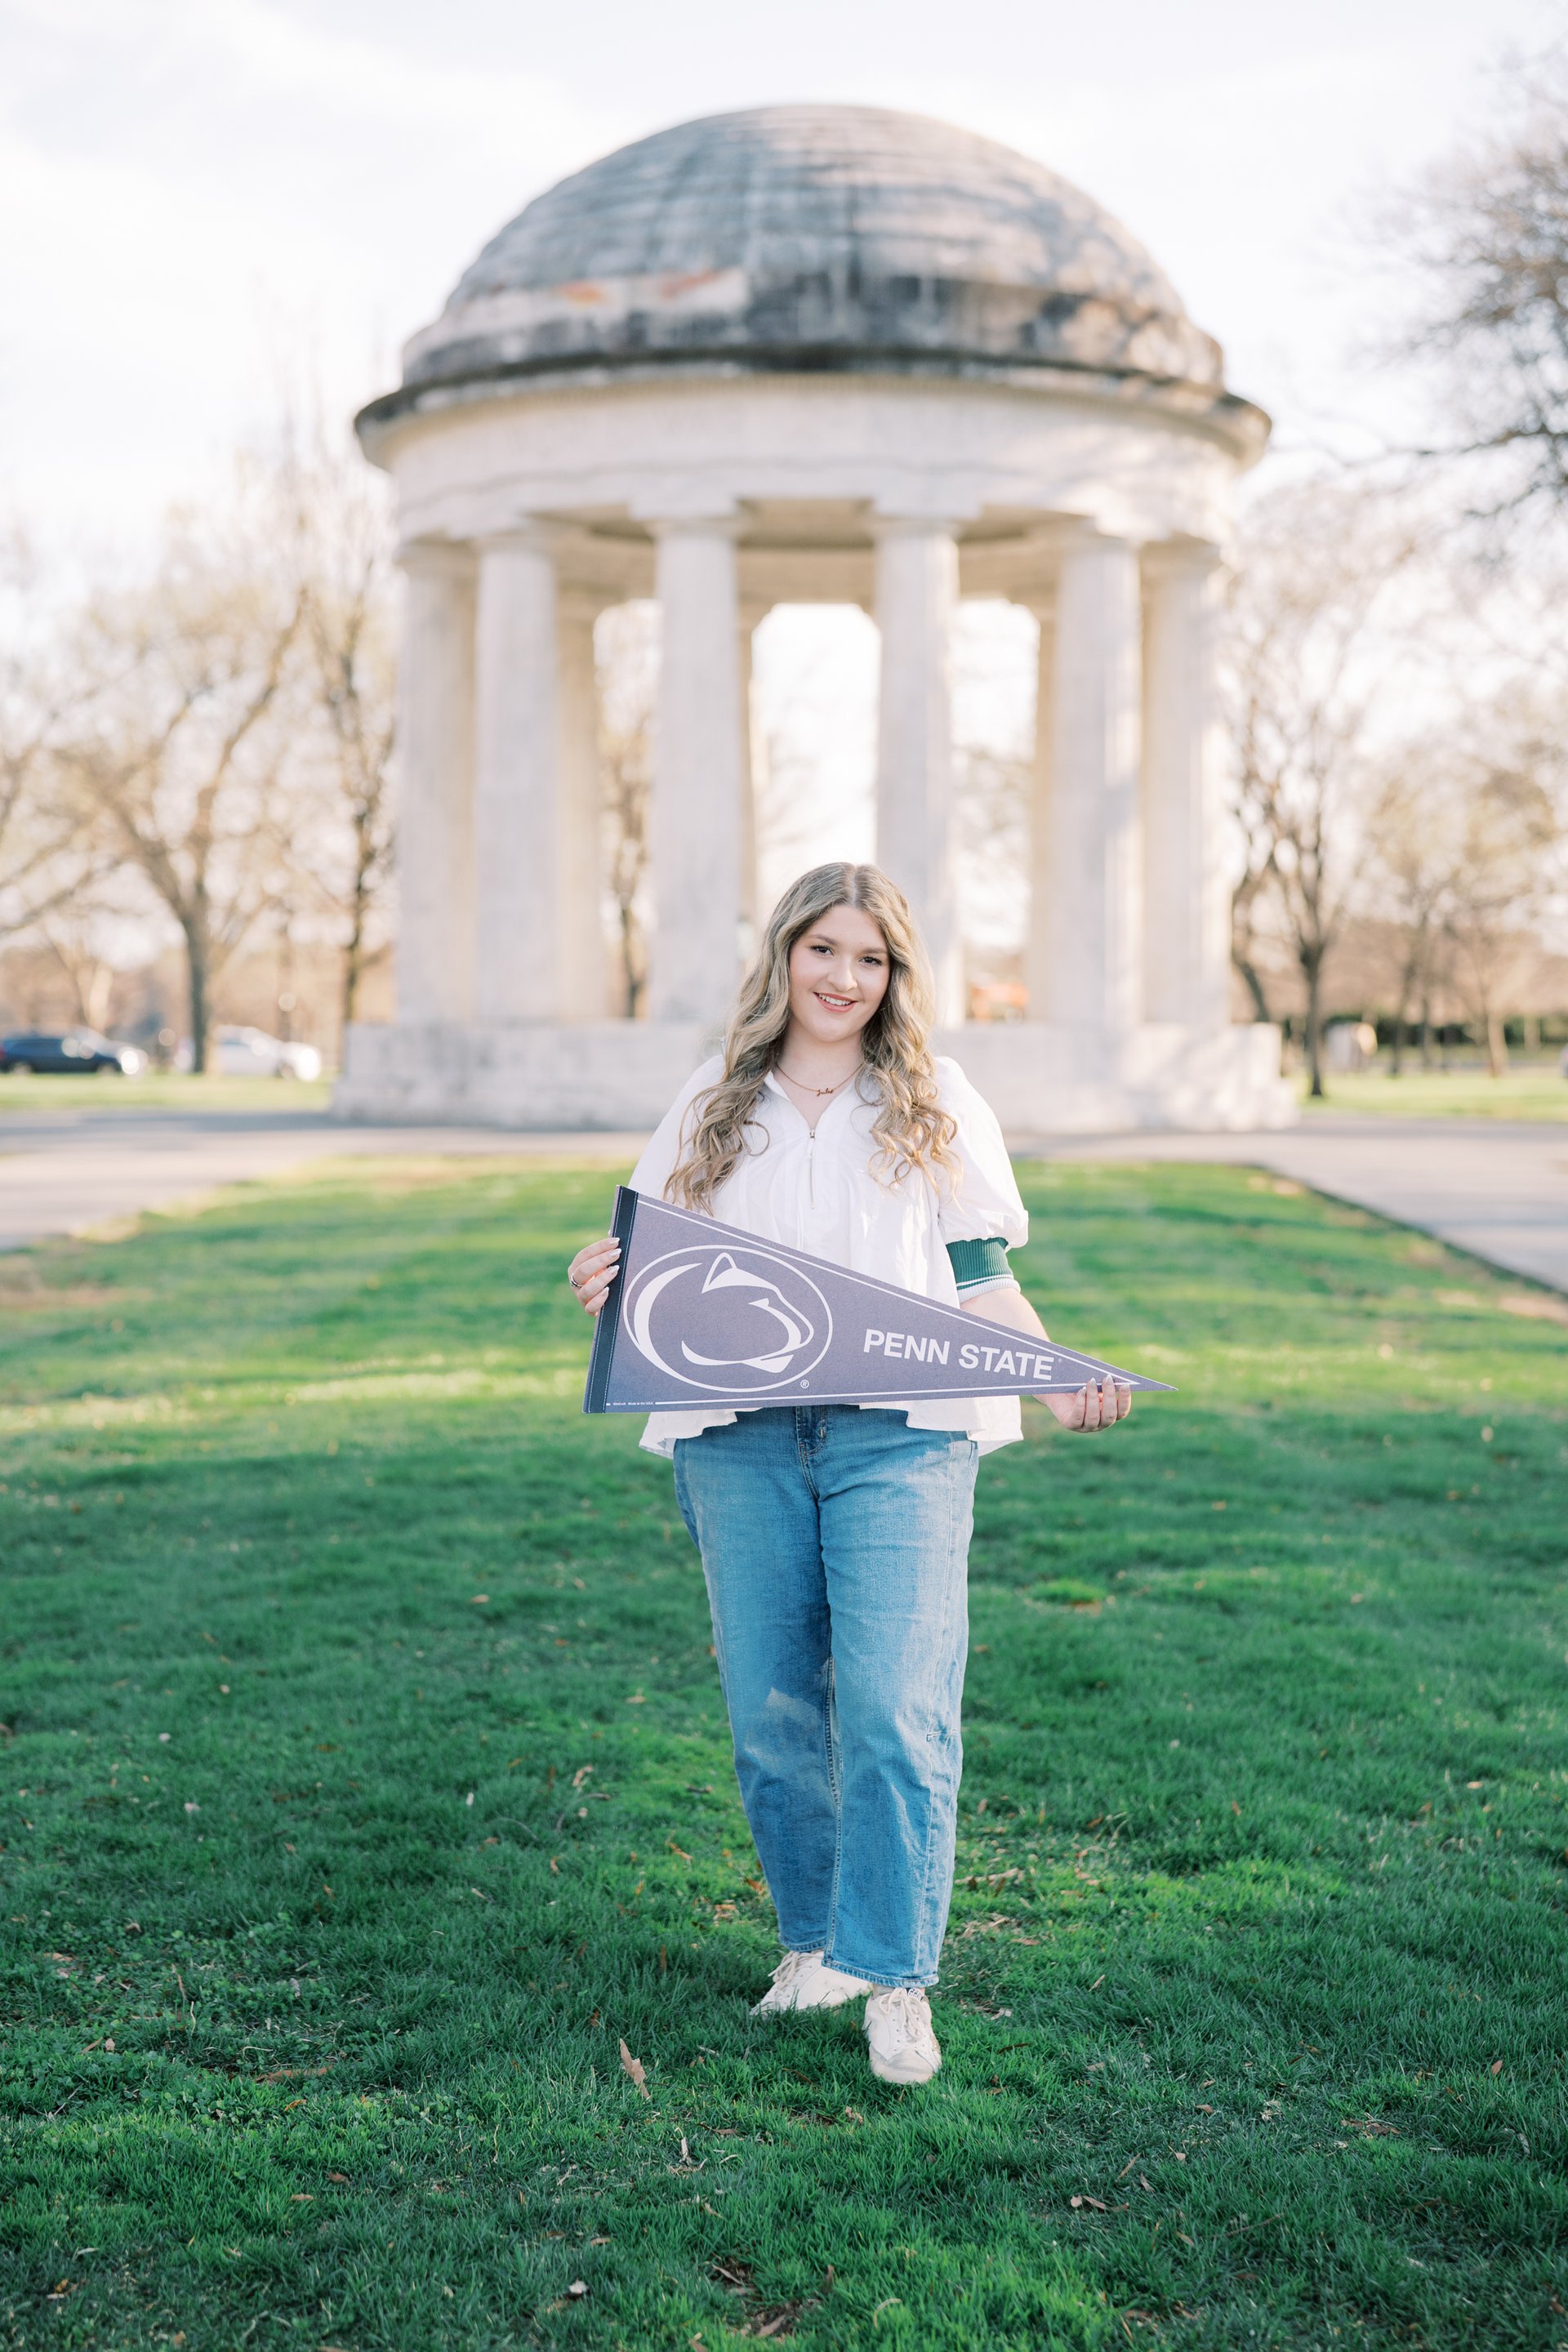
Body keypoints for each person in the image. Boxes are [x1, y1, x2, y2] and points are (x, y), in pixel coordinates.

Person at [568, 862, 1130, 2086]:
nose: (844, 977)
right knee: (772, 1714)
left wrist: (1053, 1374)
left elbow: (982, 1280)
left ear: (896, 976)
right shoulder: (715, 1098)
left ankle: (898, 1976)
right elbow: (648, 1265)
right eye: (824, 949)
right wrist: (600, 1277)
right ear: (784, 955)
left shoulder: (932, 1098)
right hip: (740, 1436)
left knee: (894, 1710)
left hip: (902, 1436)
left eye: (871, 958)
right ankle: (817, 1946)